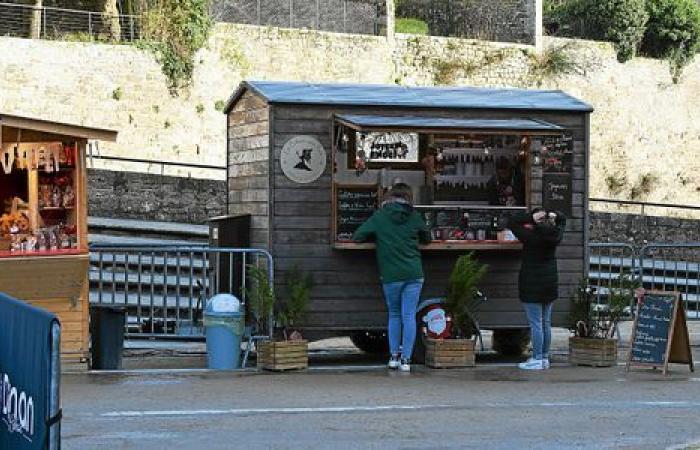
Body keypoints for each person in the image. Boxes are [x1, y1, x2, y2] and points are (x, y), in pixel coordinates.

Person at [353, 183, 431, 372]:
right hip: (414, 273)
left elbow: (357, 236)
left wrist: (379, 238)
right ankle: (406, 361)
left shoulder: (380, 217)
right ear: (408, 198)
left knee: (395, 314)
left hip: (391, 274)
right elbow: (428, 238)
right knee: (409, 316)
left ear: (389, 197)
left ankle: (393, 357)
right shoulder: (414, 216)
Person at [508, 208, 567, 370]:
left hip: (531, 281)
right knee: (546, 322)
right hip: (549, 281)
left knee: (535, 323)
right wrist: (556, 215)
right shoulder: (556, 234)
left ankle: (537, 358)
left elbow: (512, 222)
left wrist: (531, 217)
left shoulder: (530, 236)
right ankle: (544, 358)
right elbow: (563, 220)